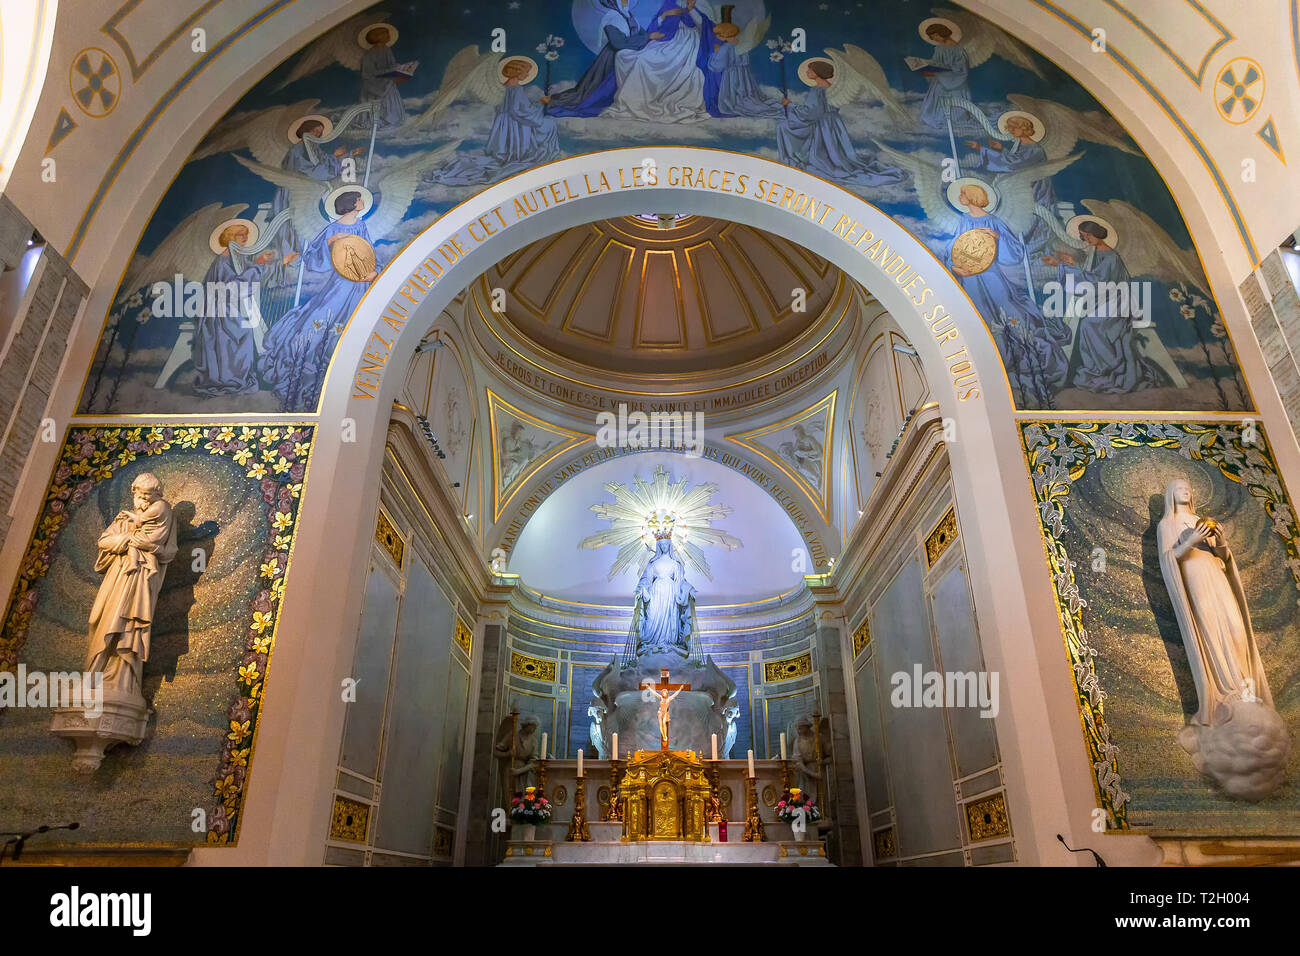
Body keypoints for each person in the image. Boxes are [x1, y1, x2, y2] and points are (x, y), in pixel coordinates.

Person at [947, 182, 1068, 403]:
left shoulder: (994, 222)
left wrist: (997, 237)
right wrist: (956, 268)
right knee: (979, 318)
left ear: (973, 196)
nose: (960, 197)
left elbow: (1015, 252)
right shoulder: (963, 221)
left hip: (991, 276)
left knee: (1008, 311)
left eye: (963, 194)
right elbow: (953, 250)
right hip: (970, 279)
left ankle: (1020, 362)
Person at [259, 190, 375, 410]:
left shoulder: (361, 226)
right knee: (321, 316)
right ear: (351, 203)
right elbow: (314, 256)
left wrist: (372, 272)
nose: (361, 201)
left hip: (360, 281)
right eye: (358, 199)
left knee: (352, 323)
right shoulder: (332, 228)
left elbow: (367, 251)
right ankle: (304, 366)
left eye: (361, 198)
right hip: (341, 281)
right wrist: (332, 240)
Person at [85, 473, 178, 698]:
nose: (142, 500)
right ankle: (91, 682)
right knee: (99, 620)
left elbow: (170, 551)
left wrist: (149, 547)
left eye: (148, 496)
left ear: (156, 496)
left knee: (129, 627)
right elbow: (104, 541)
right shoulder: (124, 520)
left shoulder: (164, 517)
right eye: (139, 495)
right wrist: (125, 541)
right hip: (117, 576)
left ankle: (122, 685)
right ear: (134, 494)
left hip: (141, 578)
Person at [1043, 220, 1163, 393]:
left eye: (1088, 236)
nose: (1085, 240)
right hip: (1105, 299)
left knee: (1089, 325)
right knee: (1087, 324)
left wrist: (1061, 266)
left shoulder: (1111, 257)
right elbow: (1093, 276)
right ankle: (1099, 367)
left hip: (1117, 302)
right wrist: (1070, 264)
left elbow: (1096, 280)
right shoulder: (1097, 252)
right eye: (1083, 237)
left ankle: (1106, 368)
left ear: (1097, 234)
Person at [193, 223, 292, 396]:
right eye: (240, 235)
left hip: (229, 309)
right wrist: (258, 265)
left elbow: (252, 276)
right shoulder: (223, 261)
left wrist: (278, 263)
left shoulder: (237, 258)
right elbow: (234, 289)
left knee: (246, 326)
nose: (245, 238)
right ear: (230, 238)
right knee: (244, 329)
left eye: (246, 234)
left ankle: (239, 376)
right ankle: (231, 379)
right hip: (218, 313)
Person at [433, 58, 560, 186]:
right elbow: (518, 111)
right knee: (550, 125)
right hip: (516, 124)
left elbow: (518, 108)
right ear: (517, 71)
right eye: (526, 71)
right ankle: (534, 155)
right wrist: (540, 103)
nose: (527, 75)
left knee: (549, 124)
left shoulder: (506, 87)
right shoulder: (515, 88)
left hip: (508, 123)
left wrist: (537, 105)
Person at [778, 60, 903, 187]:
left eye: (810, 70)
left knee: (784, 127)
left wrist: (790, 105)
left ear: (817, 72)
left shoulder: (817, 90)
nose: (807, 72)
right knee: (836, 154)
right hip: (835, 124)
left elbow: (812, 112)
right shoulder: (833, 88)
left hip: (822, 124)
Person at [606, 0, 720, 122]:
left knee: (650, 62)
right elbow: (654, 26)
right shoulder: (670, 1)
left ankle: (645, 101)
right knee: (640, 58)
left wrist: (691, 10)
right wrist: (665, 15)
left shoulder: (701, 3)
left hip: (689, 41)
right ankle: (638, 102)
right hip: (668, 38)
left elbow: (707, 27)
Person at [548, 0, 661, 117]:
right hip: (612, 59)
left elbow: (642, 33)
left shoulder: (629, 15)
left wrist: (660, 21)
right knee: (591, 95)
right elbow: (619, 43)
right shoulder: (612, 18)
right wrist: (647, 37)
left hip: (629, 56)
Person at [707, 6, 782, 118]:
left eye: (719, 35)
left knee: (734, 99)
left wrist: (715, 53)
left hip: (732, 76)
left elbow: (717, 65)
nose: (718, 37)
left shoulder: (726, 48)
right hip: (744, 75)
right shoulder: (740, 44)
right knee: (746, 95)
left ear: (724, 36)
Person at [359, 25, 411, 129]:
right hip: (374, 85)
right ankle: (380, 121)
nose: (388, 36)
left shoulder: (387, 50)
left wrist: (400, 69)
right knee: (377, 107)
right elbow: (368, 73)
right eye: (385, 33)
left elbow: (391, 65)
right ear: (378, 36)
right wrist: (391, 70)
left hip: (387, 83)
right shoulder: (369, 54)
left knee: (391, 102)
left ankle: (391, 121)